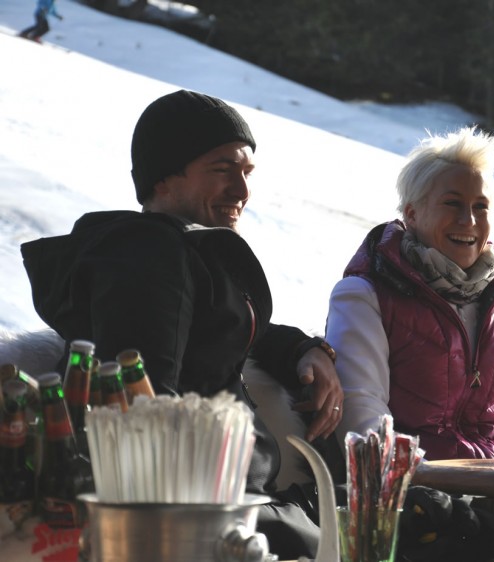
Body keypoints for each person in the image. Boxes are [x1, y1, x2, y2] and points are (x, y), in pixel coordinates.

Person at [20, 89, 344, 559]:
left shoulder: (175, 251)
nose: (242, 190)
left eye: (246, 172)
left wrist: (300, 350)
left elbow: (218, 331)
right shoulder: (147, 255)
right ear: (165, 177)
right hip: (206, 520)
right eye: (222, 170)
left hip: (242, 501)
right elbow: (146, 403)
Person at [326, 126, 494, 462]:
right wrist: (428, 486)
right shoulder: (365, 296)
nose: (468, 220)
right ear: (411, 213)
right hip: (422, 496)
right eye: (452, 204)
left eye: (480, 207)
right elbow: (363, 418)